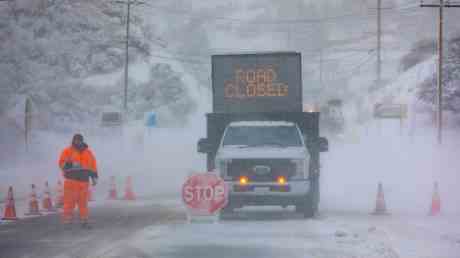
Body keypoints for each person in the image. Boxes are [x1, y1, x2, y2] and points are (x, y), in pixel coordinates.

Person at [58, 133, 98, 228]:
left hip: (84, 181)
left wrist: (94, 177)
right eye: (76, 140)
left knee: (83, 202)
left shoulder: (88, 153)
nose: (78, 142)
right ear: (73, 141)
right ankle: (67, 220)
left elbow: (93, 166)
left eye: (79, 140)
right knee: (69, 202)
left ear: (82, 141)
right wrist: (70, 164)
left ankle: (84, 220)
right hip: (71, 181)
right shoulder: (67, 151)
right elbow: (61, 163)